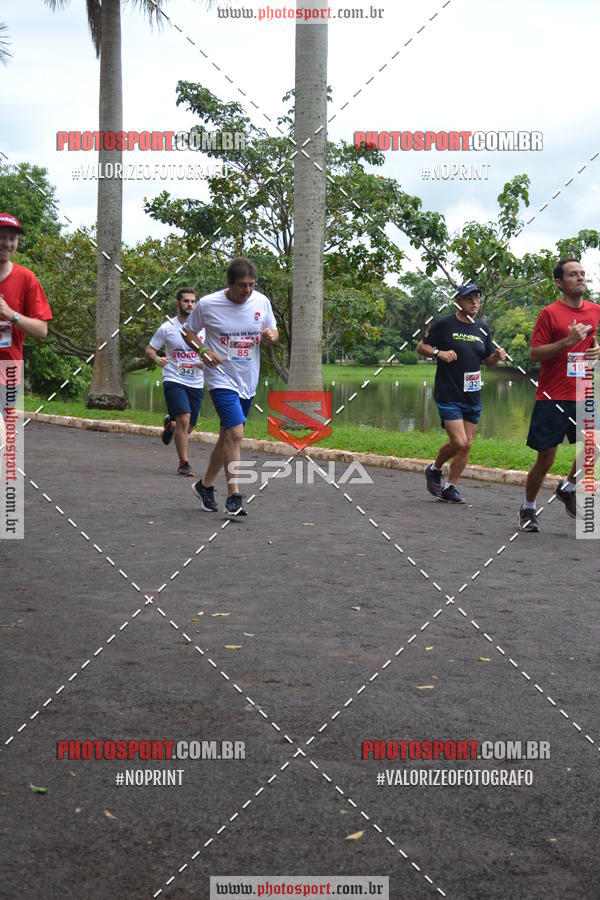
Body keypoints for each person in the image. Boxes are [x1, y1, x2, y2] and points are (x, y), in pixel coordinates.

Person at [182, 257, 278, 517]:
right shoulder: (208, 304)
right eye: (242, 285)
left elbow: (273, 331)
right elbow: (187, 332)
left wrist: (271, 336)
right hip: (220, 376)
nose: (247, 290)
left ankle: (204, 486)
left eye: (251, 285)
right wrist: (203, 351)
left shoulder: (261, 302)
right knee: (236, 432)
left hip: (248, 378)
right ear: (229, 283)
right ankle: (234, 496)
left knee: (227, 436)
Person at [519, 258, 600, 532]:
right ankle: (528, 507)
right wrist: (567, 341)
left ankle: (568, 486)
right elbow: (534, 353)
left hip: (583, 392)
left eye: (582, 273)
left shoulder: (595, 311)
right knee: (546, 460)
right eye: (573, 274)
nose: (580, 277)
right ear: (559, 282)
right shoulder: (549, 313)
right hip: (552, 396)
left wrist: (596, 350)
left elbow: (592, 343)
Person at [417, 282, 506, 503]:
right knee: (458, 442)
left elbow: (488, 362)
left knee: (467, 444)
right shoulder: (445, 324)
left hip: (472, 395)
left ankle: (450, 486)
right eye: (469, 299)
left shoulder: (483, 328)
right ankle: (434, 469)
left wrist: (497, 356)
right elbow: (421, 347)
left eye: (477, 298)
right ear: (458, 302)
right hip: (448, 393)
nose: (474, 302)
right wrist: (438, 352)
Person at [0, 213, 52, 426]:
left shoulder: (26, 279)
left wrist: (10, 314)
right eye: (2, 237)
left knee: (5, 438)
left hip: (8, 373)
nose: (7, 243)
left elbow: (42, 330)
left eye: (12, 238)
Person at [146, 288, 205, 477]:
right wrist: (158, 359)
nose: (190, 305)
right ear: (178, 303)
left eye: (193, 301)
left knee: (188, 427)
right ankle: (184, 463)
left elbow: (212, 351)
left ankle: (171, 426)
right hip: (174, 378)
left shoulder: (203, 329)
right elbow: (150, 349)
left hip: (196, 381)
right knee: (184, 418)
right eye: (186, 301)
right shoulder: (167, 327)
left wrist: (206, 360)